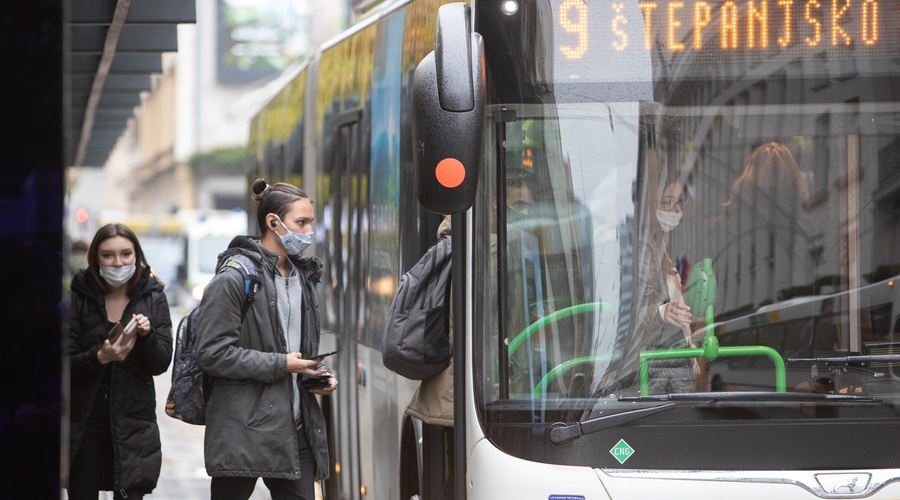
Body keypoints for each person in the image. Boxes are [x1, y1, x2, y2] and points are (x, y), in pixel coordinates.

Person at [196, 178, 338, 500]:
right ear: (273, 222)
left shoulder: (303, 277)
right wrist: (282, 364)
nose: (308, 231)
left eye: (310, 222)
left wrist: (315, 375)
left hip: (294, 427)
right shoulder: (234, 278)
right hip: (241, 429)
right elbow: (212, 353)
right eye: (300, 223)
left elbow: (293, 350)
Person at [66, 223, 173, 499]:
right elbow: (63, 365)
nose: (118, 262)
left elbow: (161, 363)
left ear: (136, 255)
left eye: (126, 254)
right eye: (108, 255)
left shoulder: (153, 295)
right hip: (84, 425)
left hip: (133, 425)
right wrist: (100, 357)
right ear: (95, 258)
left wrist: (147, 336)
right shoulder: (78, 295)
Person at [599, 168, 699, 395]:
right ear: (649, 204)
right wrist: (661, 313)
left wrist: (690, 349)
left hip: (664, 368)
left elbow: (676, 305)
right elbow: (622, 315)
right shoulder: (634, 248)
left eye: (680, 202)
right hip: (637, 372)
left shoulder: (661, 247)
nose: (677, 210)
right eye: (667, 203)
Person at [406, 214, 455, 499]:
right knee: (460, 476)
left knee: (457, 473)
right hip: (468, 385)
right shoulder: (486, 246)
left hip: (444, 381)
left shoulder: (444, 247)